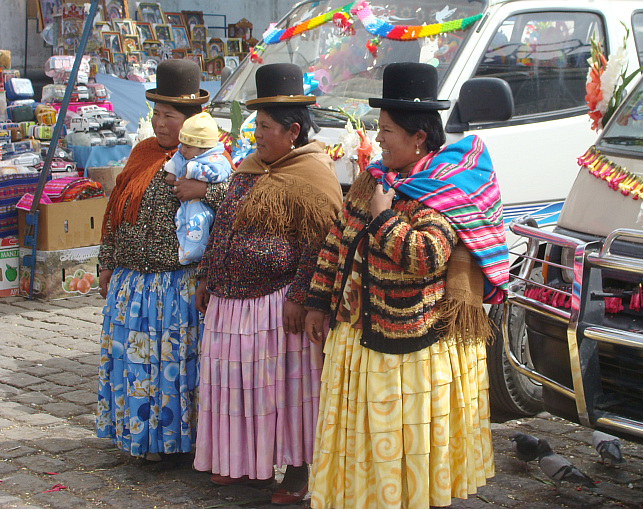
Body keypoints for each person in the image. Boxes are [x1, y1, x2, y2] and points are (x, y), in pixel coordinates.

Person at [305, 62, 510, 509]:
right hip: (359, 338)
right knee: (362, 438)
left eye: (387, 130)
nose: (378, 139)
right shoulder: (375, 179)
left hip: (406, 351)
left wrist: (382, 219)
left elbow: (427, 257)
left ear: (419, 137)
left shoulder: (438, 187)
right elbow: (336, 241)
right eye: (379, 129)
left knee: (400, 437)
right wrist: (318, 301)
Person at [192, 63, 343, 505]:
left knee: (284, 391)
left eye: (264, 127)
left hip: (278, 305)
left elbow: (321, 246)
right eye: (255, 125)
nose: (256, 134)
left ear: (293, 130)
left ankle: (296, 473)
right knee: (234, 384)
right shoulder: (250, 167)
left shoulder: (313, 175)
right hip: (230, 302)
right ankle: (245, 465)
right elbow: (222, 228)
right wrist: (207, 276)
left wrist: (301, 296)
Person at [96, 59, 232, 461]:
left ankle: (175, 441)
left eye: (169, 115)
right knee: (136, 364)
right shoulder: (143, 153)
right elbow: (116, 209)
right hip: (132, 285)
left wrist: (201, 190)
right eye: (156, 113)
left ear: (192, 121)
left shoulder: (212, 162)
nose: (159, 122)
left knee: (172, 367)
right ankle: (141, 438)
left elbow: (233, 209)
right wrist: (107, 261)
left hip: (174, 286)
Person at [163, 111, 230, 264]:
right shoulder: (181, 154)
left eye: (188, 147)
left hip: (200, 206)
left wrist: (197, 178)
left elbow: (219, 177)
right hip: (185, 205)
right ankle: (184, 251)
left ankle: (195, 252)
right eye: (183, 145)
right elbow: (175, 162)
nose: (183, 150)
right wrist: (171, 172)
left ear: (204, 149)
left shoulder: (216, 159)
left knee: (197, 224)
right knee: (181, 221)